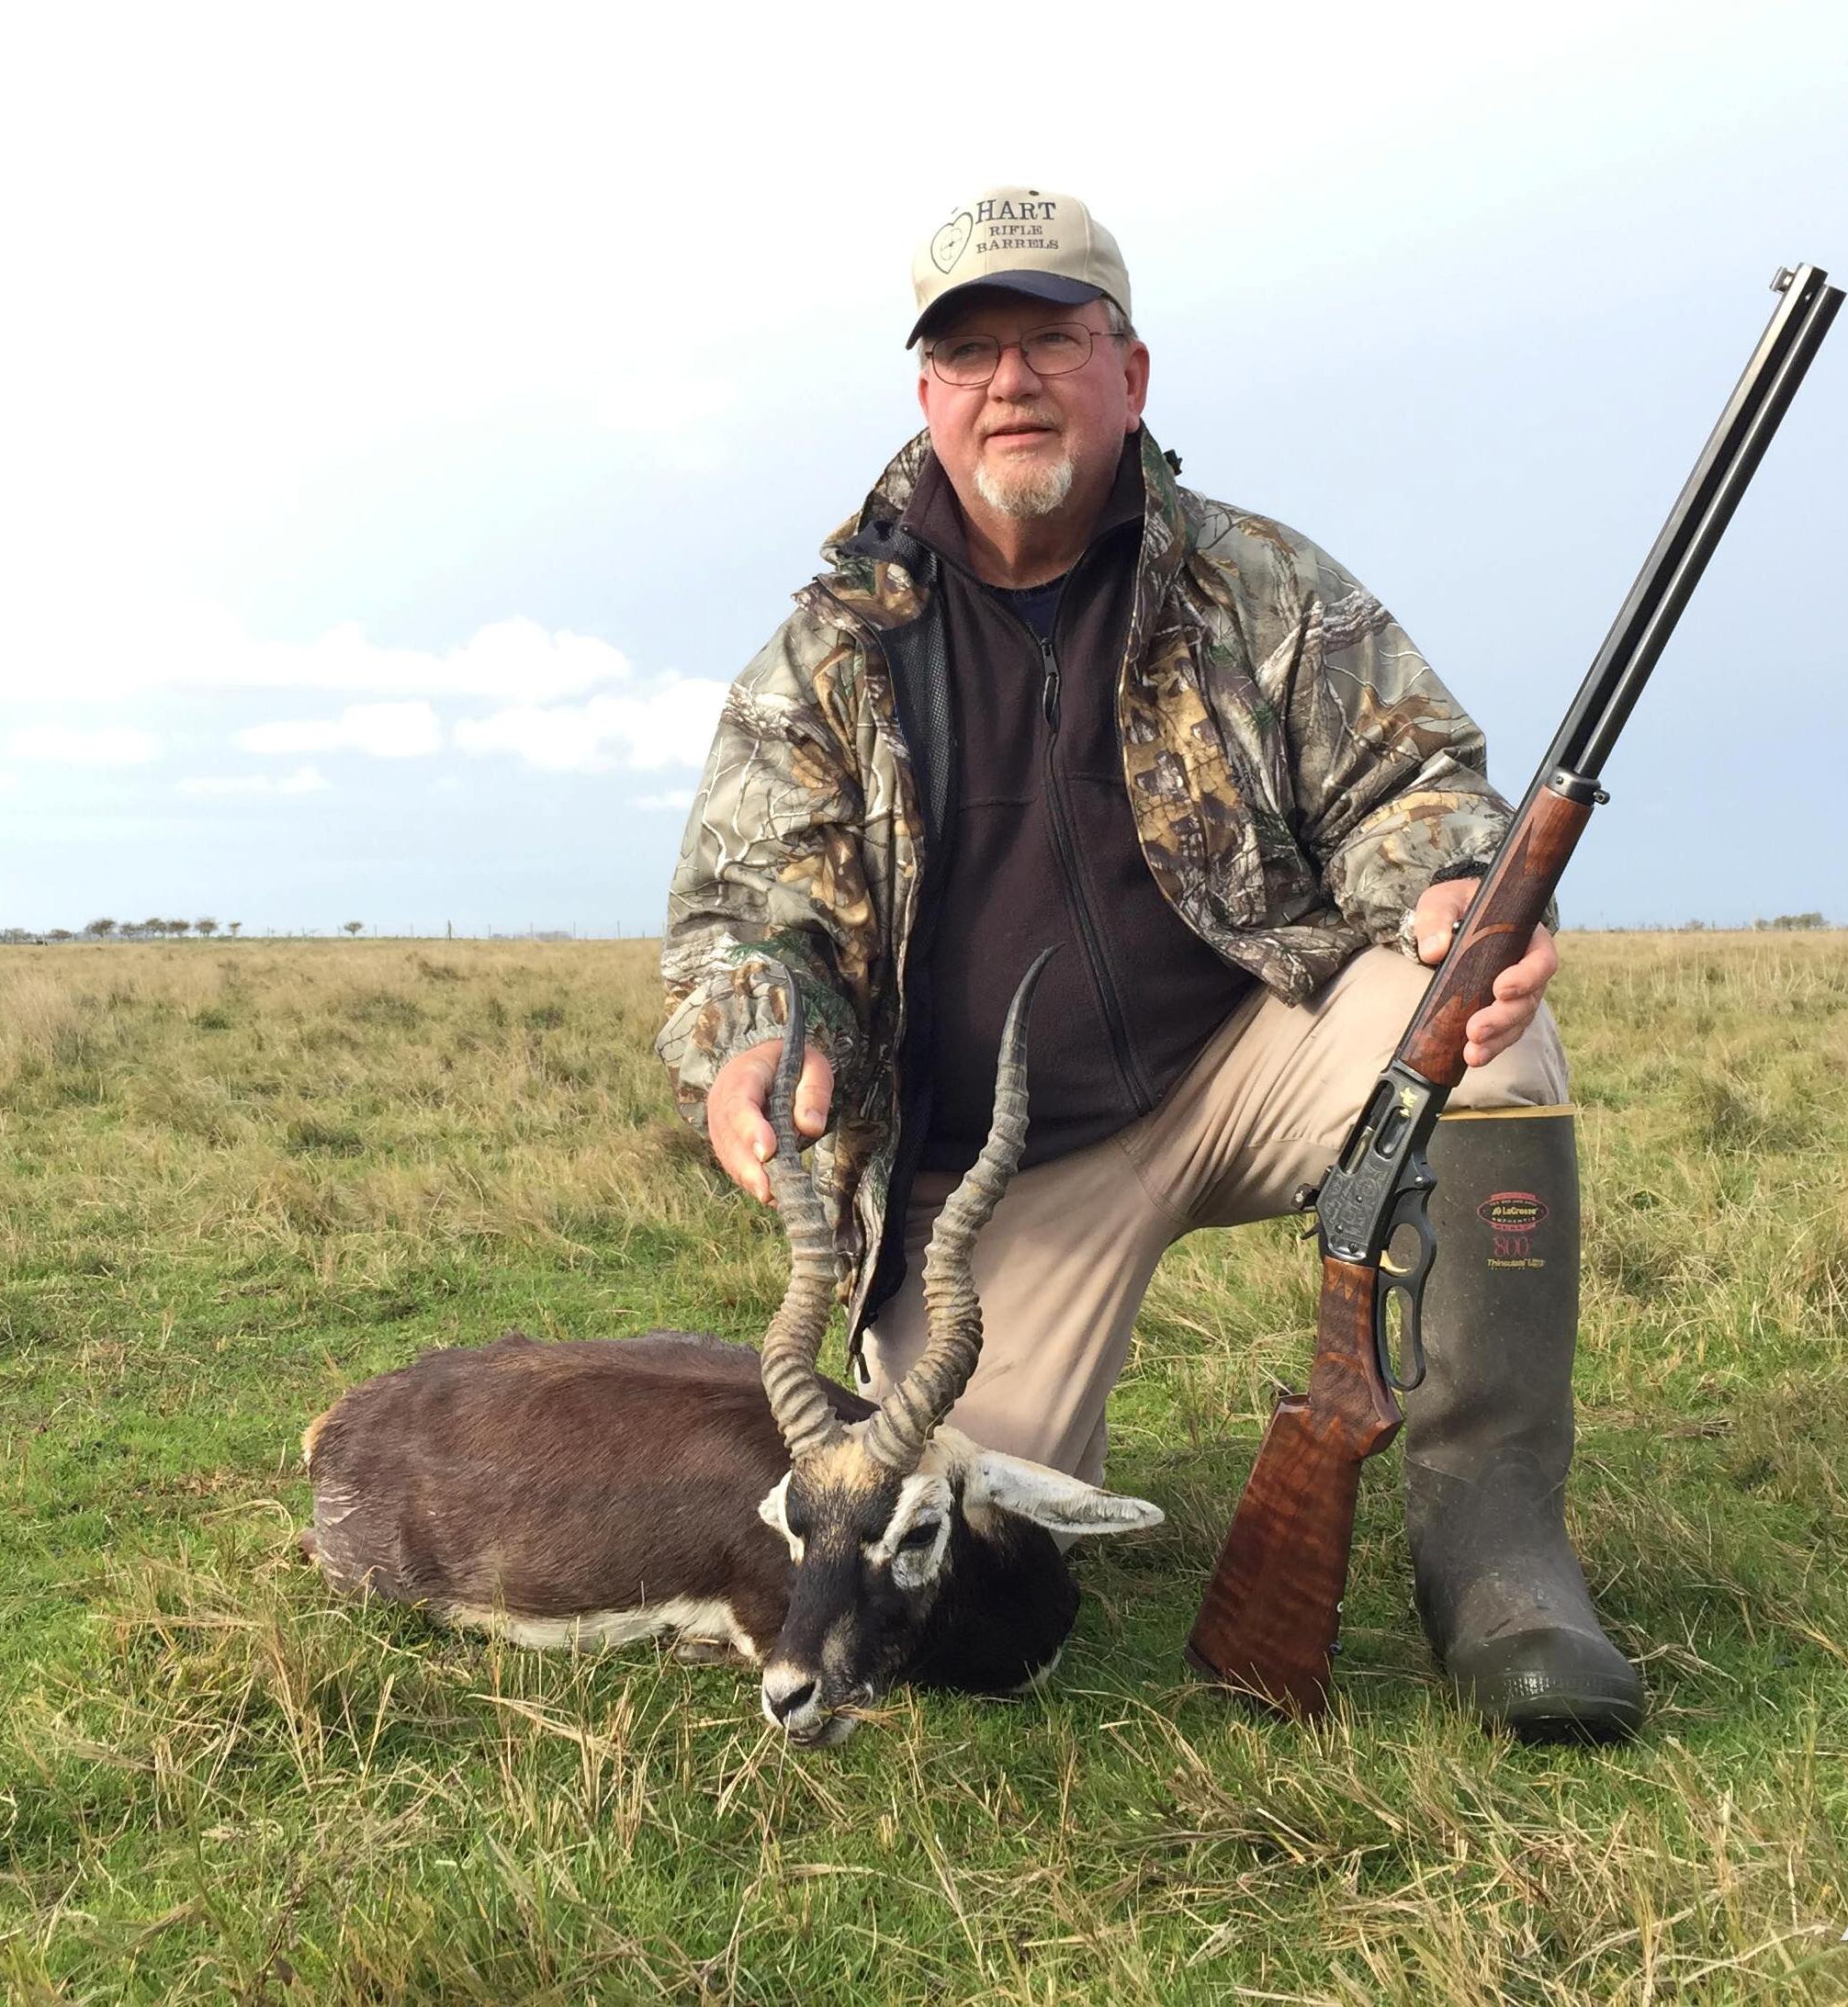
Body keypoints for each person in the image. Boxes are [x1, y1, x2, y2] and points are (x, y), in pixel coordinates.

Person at [657, 187, 1641, 1738]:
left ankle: (1494, 1537)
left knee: (1486, 1033)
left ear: (1130, 373)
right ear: (926, 395)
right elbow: (749, 914)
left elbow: (1418, 791)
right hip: (998, 1177)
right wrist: (762, 1029)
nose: (1012, 380)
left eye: (1051, 338)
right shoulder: (832, 647)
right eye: (970, 351)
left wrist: (1451, 890)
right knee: (968, 1567)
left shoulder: (1260, 584)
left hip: (1249, 1054)